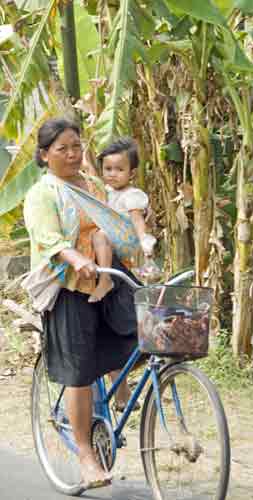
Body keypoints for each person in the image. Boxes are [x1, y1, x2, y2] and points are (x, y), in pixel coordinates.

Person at [23, 118, 141, 490]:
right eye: (63, 148)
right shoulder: (43, 193)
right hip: (70, 285)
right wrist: (76, 258)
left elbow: (113, 224)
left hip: (106, 276)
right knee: (78, 372)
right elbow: (48, 238)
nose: (73, 154)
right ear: (45, 155)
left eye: (77, 146)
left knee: (141, 335)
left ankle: (120, 393)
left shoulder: (93, 186)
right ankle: (86, 456)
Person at [88, 137, 157, 302]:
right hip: (114, 239)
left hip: (127, 239)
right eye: (108, 169)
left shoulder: (132, 195)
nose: (112, 174)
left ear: (131, 173)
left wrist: (144, 240)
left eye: (119, 170)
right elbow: (91, 178)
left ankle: (105, 280)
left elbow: (137, 219)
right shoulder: (106, 190)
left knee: (100, 235)